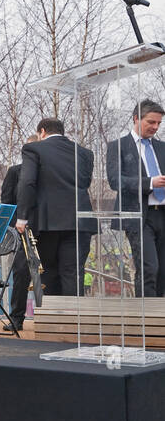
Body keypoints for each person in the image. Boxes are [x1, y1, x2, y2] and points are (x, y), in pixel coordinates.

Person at [17, 117, 95, 297]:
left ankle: (54, 322)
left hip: (48, 222)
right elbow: (84, 182)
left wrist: (22, 217)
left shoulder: (33, 148)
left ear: (42, 132)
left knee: (50, 273)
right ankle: (74, 322)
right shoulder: (85, 153)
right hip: (80, 221)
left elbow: (27, 182)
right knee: (73, 273)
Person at [106, 100, 165, 297]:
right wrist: (149, 183)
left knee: (162, 272)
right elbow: (115, 181)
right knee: (149, 269)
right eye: (151, 122)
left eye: (159, 123)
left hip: (162, 215)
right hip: (139, 217)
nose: (155, 127)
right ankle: (146, 321)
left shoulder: (162, 147)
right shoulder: (118, 146)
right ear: (136, 118)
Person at [0, 135, 38, 330]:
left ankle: (47, 318)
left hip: (44, 230)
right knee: (21, 273)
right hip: (21, 231)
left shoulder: (48, 173)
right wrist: (15, 227)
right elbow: (6, 201)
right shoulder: (14, 172)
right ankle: (16, 319)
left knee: (46, 277)